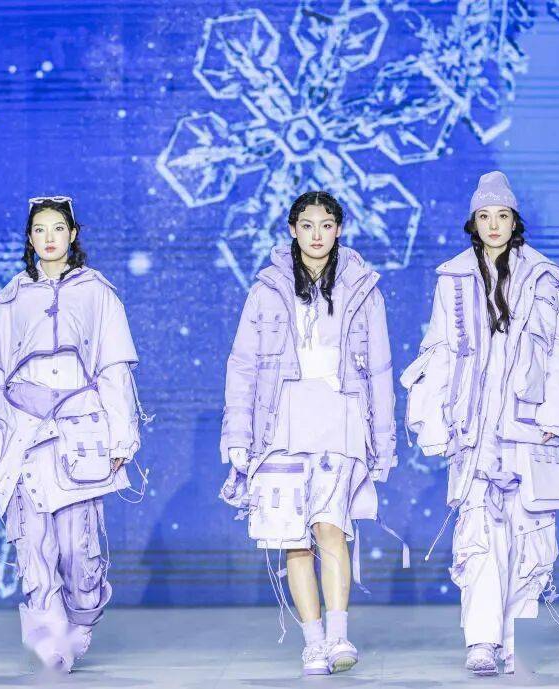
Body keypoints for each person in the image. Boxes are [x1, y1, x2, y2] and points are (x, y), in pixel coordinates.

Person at [402, 172, 559, 676]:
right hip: (475, 425)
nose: (493, 225)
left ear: (514, 221)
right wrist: (432, 419)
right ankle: (481, 641)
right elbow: (439, 349)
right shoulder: (454, 278)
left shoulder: (543, 277)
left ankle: (506, 636)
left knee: (527, 534)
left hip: (527, 423)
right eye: (484, 216)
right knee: (479, 532)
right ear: (474, 222)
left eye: (502, 216)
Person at [0, 196, 146, 672]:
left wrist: (122, 436)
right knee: (34, 541)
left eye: (58, 228)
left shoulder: (97, 293)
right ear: (29, 238)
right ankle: (47, 632)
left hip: (79, 430)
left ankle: (81, 619)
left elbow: (113, 369)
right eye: (40, 229)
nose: (49, 237)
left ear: (72, 234)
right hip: (25, 430)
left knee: (77, 546)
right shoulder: (11, 297)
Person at [219, 191, 397, 675]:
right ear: (292, 230)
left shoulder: (363, 288)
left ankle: (339, 637)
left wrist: (383, 440)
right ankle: (313, 641)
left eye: (326, 225)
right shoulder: (266, 289)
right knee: (293, 537)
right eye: (307, 225)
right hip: (281, 422)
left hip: (340, 418)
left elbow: (380, 369)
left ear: (338, 229)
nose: (317, 234)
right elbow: (243, 365)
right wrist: (238, 435)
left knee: (331, 528)